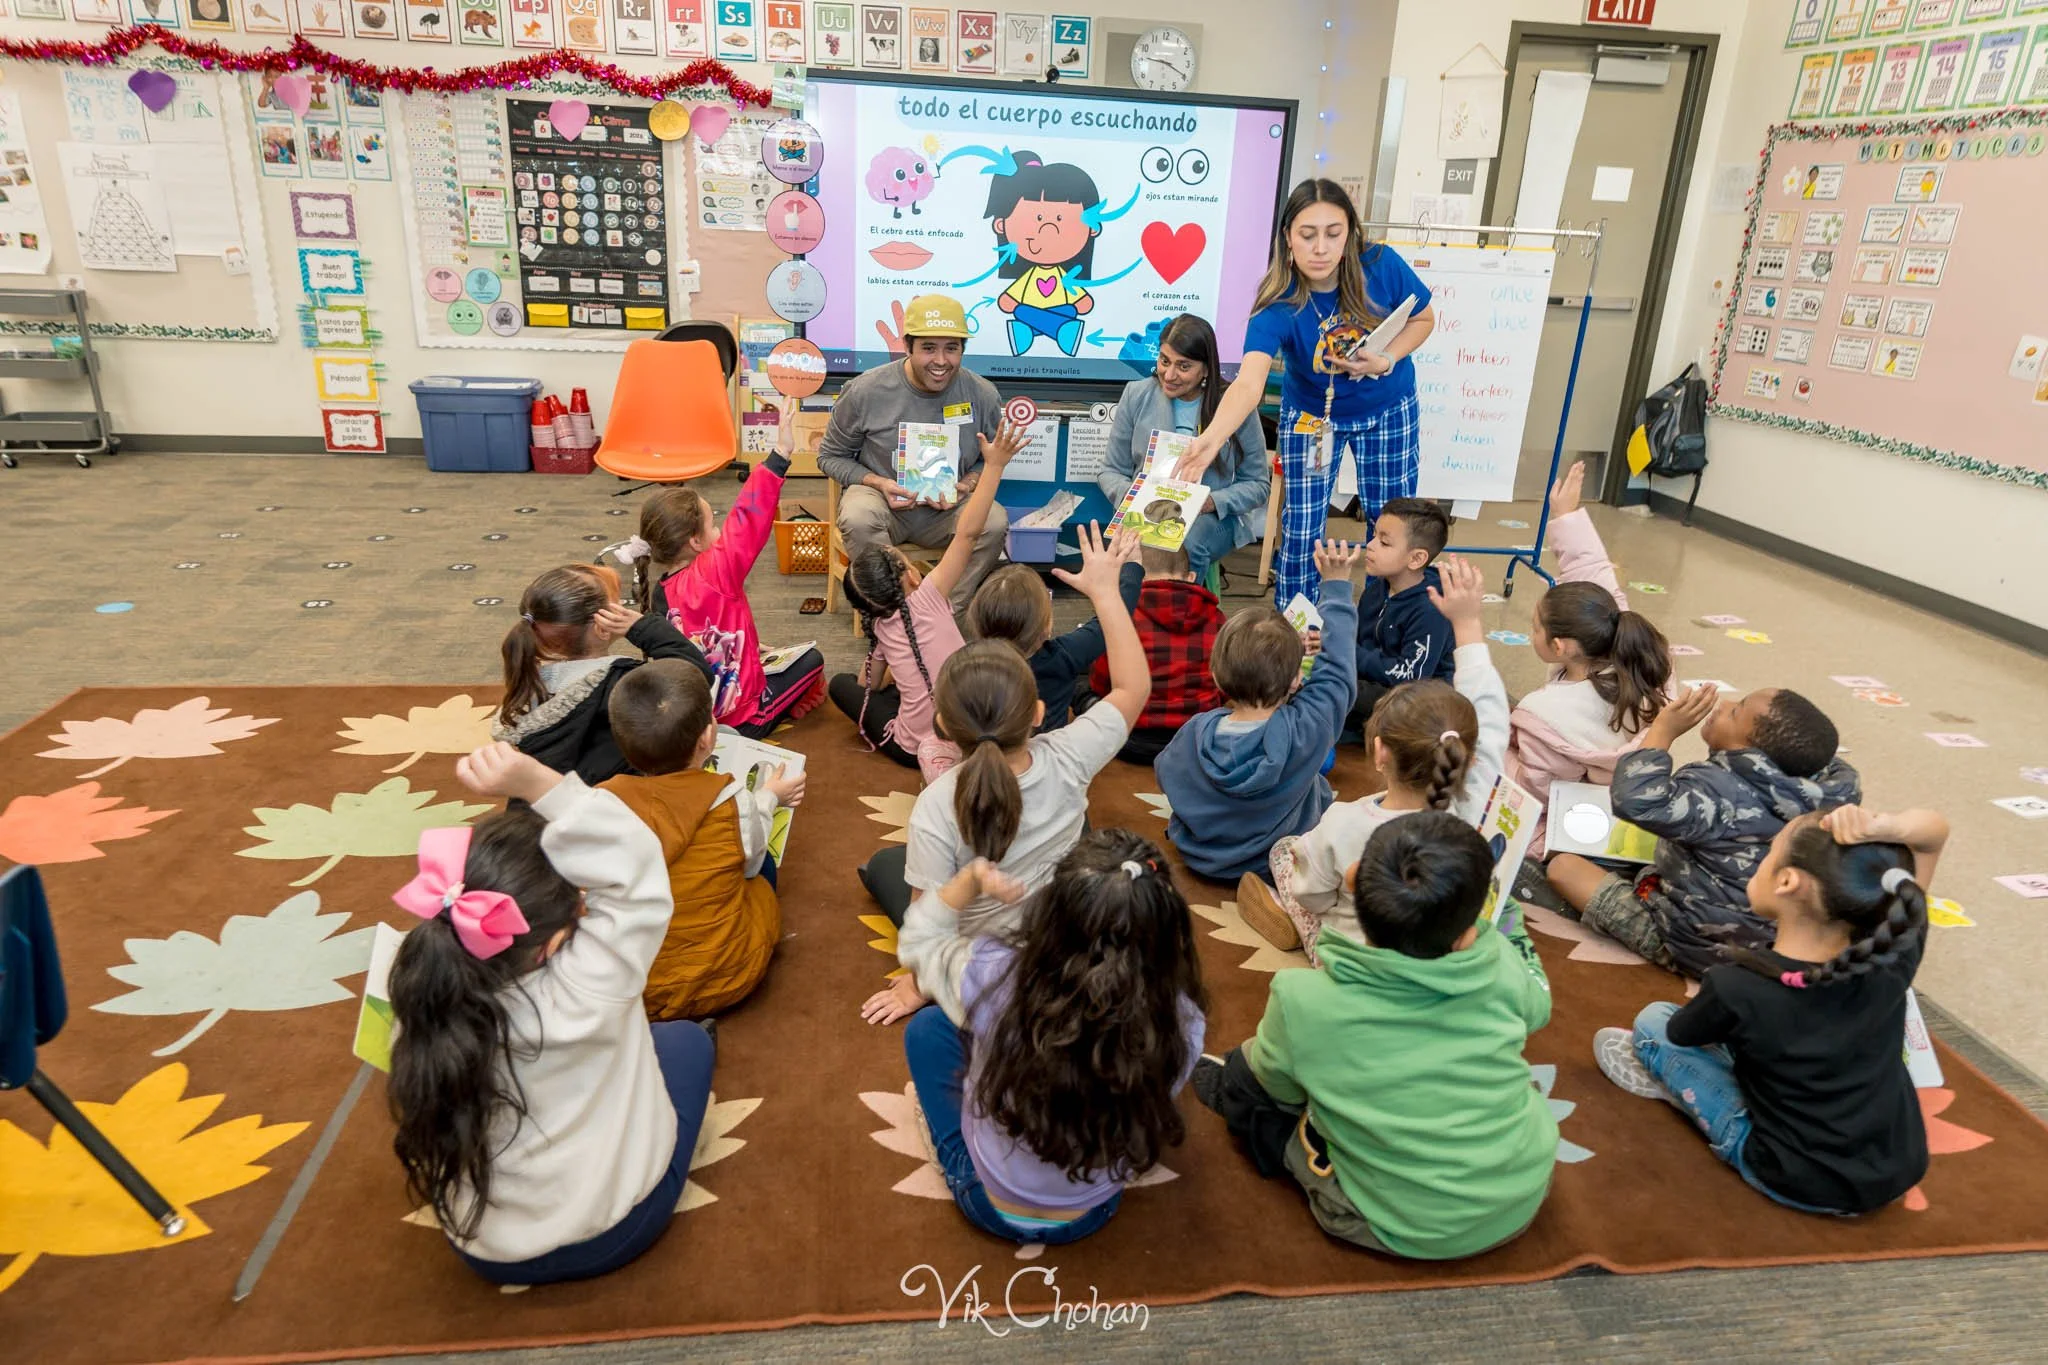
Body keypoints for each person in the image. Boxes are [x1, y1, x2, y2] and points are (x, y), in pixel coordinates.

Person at [386, 742, 713, 1285]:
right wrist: (539, 782)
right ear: (556, 939)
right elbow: (634, 860)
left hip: (481, 1245)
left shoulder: (421, 982)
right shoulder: (594, 981)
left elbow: (626, 876)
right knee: (687, 1043)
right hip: (614, 1228)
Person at [1194, 813, 1558, 1260]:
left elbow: (1275, 1086)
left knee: (1247, 1082)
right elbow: (1538, 1004)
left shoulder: (1302, 997)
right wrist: (1509, 922)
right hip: (1520, 1193)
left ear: (1352, 881)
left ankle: (1277, 1141)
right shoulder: (1502, 964)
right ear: (1468, 931)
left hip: (1389, 1221)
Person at [1594, 805, 1947, 1216]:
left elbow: (1683, 1035)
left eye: (1768, 851)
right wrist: (1889, 825)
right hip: (1897, 1168)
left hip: (1791, 1176)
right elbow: (1935, 834)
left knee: (1654, 1023)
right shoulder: (1891, 955)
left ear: (1786, 880)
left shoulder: (1736, 985)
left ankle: (1687, 1097)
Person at [859, 525, 1150, 1022]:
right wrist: (1106, 591)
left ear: (945, 727)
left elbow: (926, 926)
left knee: (885, 864)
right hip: (1058, 939)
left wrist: (915, 987)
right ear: (1037, 713)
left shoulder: (937, 804)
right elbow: (1131, 687)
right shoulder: (1071, 754)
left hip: (983, 965)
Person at [901, 831, 1208, 1246]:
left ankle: (961, 1155)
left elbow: (920, 941)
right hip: (1094, 1207)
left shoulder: (993, 975)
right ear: (1170, 930)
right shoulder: (1181, 1020)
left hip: (984, 1198)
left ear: (1051, 913)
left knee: (928, 1028)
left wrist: (970, 880)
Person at [1175, 180, 1436, 609]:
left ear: (1350, 234)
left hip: (1388, 407)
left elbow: (1423, 319)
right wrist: (1211, 440)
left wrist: (1386, 359)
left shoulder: (1381, 265)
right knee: (1301, 528)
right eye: (1307, 234)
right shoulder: (1277, 303)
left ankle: (1383, 623)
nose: (1320, 248)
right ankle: (1296, 632)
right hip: (1314, 419)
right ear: (1287, 238)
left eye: (1333, 234)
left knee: (1391, 524)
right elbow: (1247, 383)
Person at [1239, 557, 1507, 960]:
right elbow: (1489, 711)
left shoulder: (1343, 822)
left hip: (1358, 962)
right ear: (1465, 749)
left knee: (1286, 850)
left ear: (1380, 753)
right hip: (1450, 950)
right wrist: (1467, 626)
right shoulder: (1482, 799)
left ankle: (1289, 919)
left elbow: (1311, 895)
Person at [1546, 685, 1862, 978]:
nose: (1722, 705)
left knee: (1564, 866)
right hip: (1776, 943)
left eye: (1735, 711)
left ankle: (1668, 954)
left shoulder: (1718, 788)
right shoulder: (1833, 790)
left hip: (1700, 946)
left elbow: (1635, 799)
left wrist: (1662, 730)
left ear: (1751, 751)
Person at [602, 660, 800, 1022]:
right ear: (709, 738)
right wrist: (769, 797)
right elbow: (752, 864)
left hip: (633, 987)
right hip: (727, 974)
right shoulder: (732, 797)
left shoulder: (600, 803)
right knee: (763, 867)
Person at [1154, 540, 1361, 883]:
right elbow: (1337, 676)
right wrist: (1336, 589)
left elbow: (1165, 775)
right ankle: (1283, 899)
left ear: (1217, 676)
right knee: (1331, 806)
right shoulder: (1307, 730)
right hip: (1274, 862)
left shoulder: (1195, 731)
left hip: (1202, 857)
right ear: (1297, 678)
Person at [827, 423, 1023, 778]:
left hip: (909, 749)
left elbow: (866, 686)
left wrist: (885, 664)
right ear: (913, 575)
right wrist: (994, 466)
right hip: (967, 736)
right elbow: (968, 534)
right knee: (908, 686)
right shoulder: (930, 595)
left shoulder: (884, 628)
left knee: (841, 686)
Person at [627, 399, 825, 739]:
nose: (719, 530)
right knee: (814, 660)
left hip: (694, 720)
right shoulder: (714, 571)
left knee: (772, 656)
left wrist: (747, 648)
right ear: (695, 542)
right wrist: (781, 453)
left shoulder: (658, 592)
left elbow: (695, 641)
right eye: (712, 524)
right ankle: (796, 703)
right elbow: (747, 518)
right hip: (744, 716)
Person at [1506, 462, 1672, 851]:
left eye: (1535, 627)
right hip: (1624, 817)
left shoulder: (1545, 714)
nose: (1532, 633)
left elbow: (1531, 792)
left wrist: (1491, 748)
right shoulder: (1643, 659)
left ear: (1560, 646)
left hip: (1562, 833)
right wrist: (1566, 516)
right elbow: (1594, 573)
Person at [818, 293, 1011, 614]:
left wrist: (967, 483)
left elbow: (988, 457)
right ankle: (894, 613)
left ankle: (943, 611)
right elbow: (829, 457)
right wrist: (879, 483)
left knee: (994, 521)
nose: (941, 360)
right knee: (858, 519)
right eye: (928, 348)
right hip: (882, 499)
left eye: (952, 348)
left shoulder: (982, 394)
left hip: (947, 507)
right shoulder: (866, 391)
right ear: (907, 347)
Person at [491, 564, 712, 786]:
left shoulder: (529, 681)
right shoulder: (623, 682)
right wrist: (643, 627)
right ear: (602, 628)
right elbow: (694, 681)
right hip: (616, 804)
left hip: (549, 802)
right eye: (618, 605)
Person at [1099, 314, 1271, 584]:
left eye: (1183, 366)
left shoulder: (1235, 406)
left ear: (1205, 369)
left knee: (1184, 541)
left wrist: (1212, 501)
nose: (1169, 374)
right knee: (1129, 543)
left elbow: (1259, 484)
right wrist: (1135, 497)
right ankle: (1129, 617)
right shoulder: (1136, 395)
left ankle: (1181, 618)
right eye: (1164, 361)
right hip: (1144, 512)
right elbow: (1111, 471)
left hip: (1212, 518)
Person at [964, 528, 1142, 733]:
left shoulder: (965, 666)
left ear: (976, 621)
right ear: (1046, 626)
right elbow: (1113, 619)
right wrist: (1132, 566)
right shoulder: (1065, 655)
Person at [1090, 543, 1227, 766]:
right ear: (1192, 576)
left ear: (1135, 578)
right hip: (1198, 740)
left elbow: (1100, 682)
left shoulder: (1122, 614)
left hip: (1131, 739)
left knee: (1081, 692)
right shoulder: (1217, 618)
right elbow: (1228, 682)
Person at [1348, 498, 1457, 737]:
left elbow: (1410, 676)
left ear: (1416, 558)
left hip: (1417, 703)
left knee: (1334, 689)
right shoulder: (1378, 588)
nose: (1371, 545)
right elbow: (1357, 639)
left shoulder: (1431, 609)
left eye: (1384, 542)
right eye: (1374, 535)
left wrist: (1347, 654)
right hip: (1375, 686)